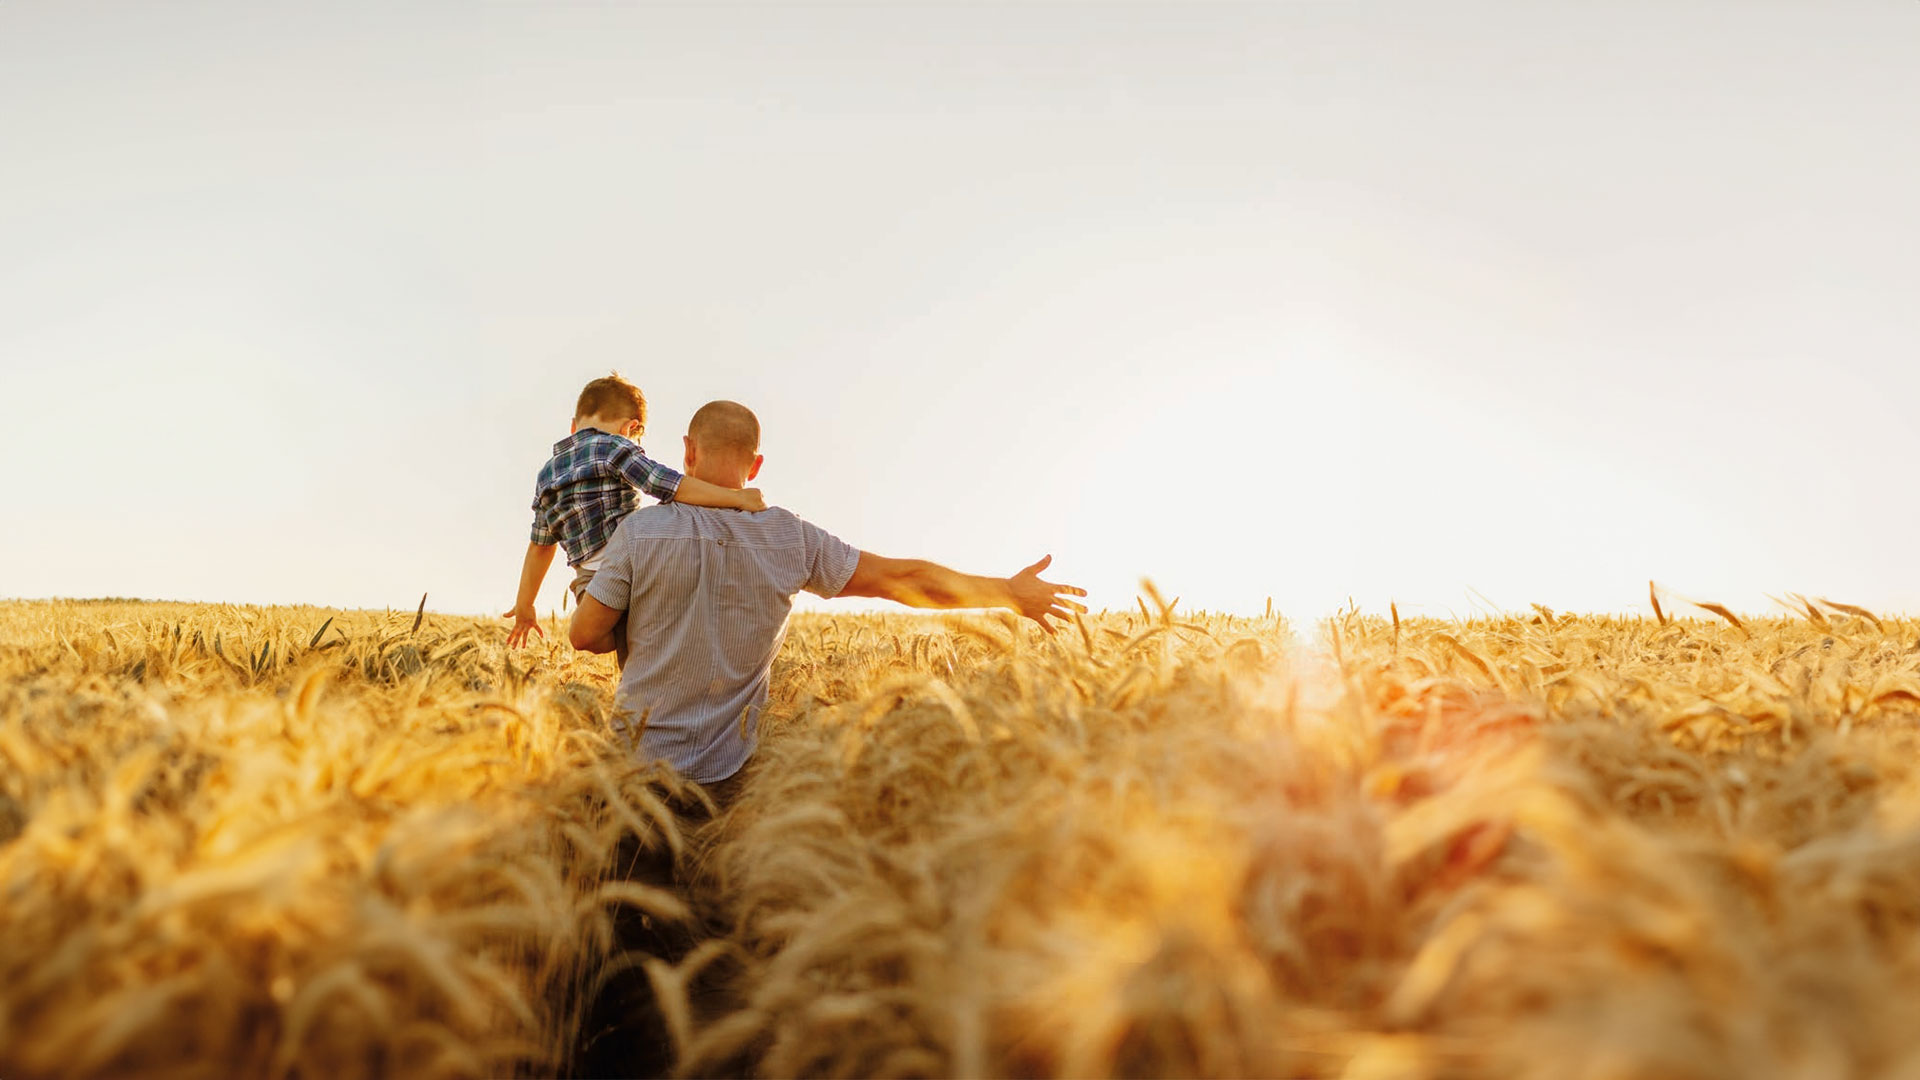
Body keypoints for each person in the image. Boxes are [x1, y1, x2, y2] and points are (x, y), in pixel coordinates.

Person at [568, 400, 1085, 808]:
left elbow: (586, 636)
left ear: (687, 451)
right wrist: (1008, 593)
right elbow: (902, 579)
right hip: (733, 783)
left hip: (634, 777)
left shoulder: (640, 532)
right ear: (757, 462)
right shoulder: (790, 538)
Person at [504, 374, 767, 661]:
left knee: (593, 640)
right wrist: (736, 497)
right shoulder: (616, 447)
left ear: (573, 425)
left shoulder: (547, 473)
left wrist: (525, 605)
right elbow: (669, 485)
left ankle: (638, 682)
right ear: (631, 428)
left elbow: (540, 546)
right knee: (647, 639)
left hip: (589, 581)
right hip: (638, 564)